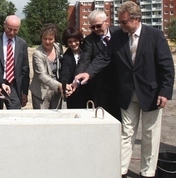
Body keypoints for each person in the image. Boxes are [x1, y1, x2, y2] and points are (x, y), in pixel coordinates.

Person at [75, 1, 174, 177]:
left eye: (124, 22)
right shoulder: (119, 37)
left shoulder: (155, 35)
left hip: (151, 94)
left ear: (136, 19)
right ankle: (120, 171)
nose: (120, 25)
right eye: (119, 22)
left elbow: (166, 66)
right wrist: (88, 73)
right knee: (126, 133)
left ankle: (148, 172)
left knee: (150, 134)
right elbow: (104, 57)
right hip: (127, 93)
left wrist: (165, 92)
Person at [77, 9, 121, 120]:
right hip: (101, 86)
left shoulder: (119, 32)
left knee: (121, 117)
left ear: (106, 22)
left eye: (98, 26)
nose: (95, 29)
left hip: (121, 83)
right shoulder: (89, 40)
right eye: (92, 27)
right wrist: (79, 76)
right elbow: (85, 60)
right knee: (103, 117)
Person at [30, 23, 72, 109]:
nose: (47, 42)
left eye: (50, 39)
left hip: (57, 91)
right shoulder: (37, 54)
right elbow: (42, 75)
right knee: (43, 119)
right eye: (45, 39)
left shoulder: (58, 47)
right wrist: (59, 85)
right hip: (41, 92)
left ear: (55, 39)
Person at [0, 15, 30, 109]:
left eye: (15, 30)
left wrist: (24, 92)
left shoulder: (22, 44)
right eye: (9, 29)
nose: (12, 32)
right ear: (4, 25)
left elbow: (25, 70)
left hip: (14, 86)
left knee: (15, 117)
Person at [60, 26, 88, 108]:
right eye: (70, 42)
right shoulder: (66, 57)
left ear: (79, 40)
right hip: (74, 93)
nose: (73, 44)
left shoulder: (87, 50)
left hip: (90, 91)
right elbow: (65, 74)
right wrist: (65, 87)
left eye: (75, 41)